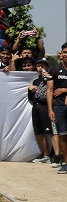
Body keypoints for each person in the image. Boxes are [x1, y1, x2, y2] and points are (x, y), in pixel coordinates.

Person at [28, 57, 55, 164]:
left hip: (46, 106)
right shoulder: (35, 80)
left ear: (47, 67)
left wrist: (47, 78)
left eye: (43, 66)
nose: (40, 68)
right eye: (38, 66)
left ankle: (55, 155)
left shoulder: (51, 78)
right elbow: (31, 98)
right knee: (38, 131)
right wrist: (30, 90)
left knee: (50, 132)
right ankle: (46, 154)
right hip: (36, 106)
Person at [48, 43, 67, 172]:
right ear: (61, 54)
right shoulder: (53, 69)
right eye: (65, 52)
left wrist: (65, 89)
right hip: (59, 107)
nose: (66, 55)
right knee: (63, 136)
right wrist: (50, 109)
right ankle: (66, 162)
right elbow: (49, 90)